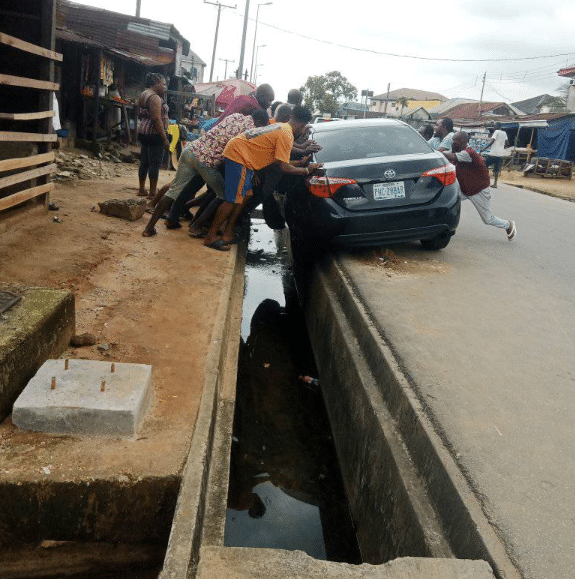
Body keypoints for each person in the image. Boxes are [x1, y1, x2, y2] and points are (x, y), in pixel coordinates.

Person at [203, 105, 322, 251]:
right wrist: (305, 170)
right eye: (304, 128)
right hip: (239, 155)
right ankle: (211, 236)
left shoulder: (282, 127)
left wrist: (299, 162)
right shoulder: (286, 134)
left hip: (243, 155)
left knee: (247, 194)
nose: (303, 131)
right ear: (301, 124)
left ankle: (228, 233)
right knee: (233, 199)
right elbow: (283, 167)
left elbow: (279, 161)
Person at [142, 109, 269, 237]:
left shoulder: (236, 115)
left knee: (173, 191)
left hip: (190, 151)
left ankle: (149, 228)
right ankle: (196, 226)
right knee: (225, 196)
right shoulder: (251, 131)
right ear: (258, 122)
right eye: (262, 126)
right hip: (206, 162)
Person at [442, 131, 516, 240]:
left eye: (456, 140)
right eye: (453, 140)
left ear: (464, 142)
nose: (453, 142)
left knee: (488, 219)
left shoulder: (468, 153)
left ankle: (508, 225)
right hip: (465, 189)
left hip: (478, 190)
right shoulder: (459, 150)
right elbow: (449, 154)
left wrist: (438, 153)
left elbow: (451, 156)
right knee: (446, 201)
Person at [137, 73, 170, 199]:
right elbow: (156, 119)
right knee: (154, 164)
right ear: (155, 83)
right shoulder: (155, 97)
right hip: (154, 133)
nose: (164, 86)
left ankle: (141, 189)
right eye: (163, 83)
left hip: (144, 132)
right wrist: (164, 138)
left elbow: (140, 114)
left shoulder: (144, 94)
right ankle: (152, 193)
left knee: (144, 161)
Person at [481, 122, 509, 188]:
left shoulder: (496, 132)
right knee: (497, 168)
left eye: (494, 126)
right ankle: (495, 183)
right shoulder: (504, 133)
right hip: (500, 154)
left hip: (493, 153)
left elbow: (492, 141)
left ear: (497, 127)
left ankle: (486, 181)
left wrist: (484, 148)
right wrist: (502, 148)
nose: (494, 128)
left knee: (485, 165)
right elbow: (507, 143)